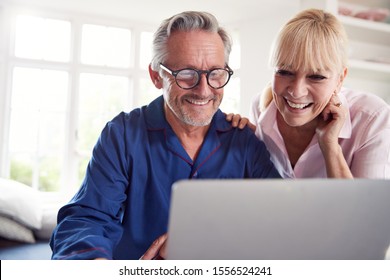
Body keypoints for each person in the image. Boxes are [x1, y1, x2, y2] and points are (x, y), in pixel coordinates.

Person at [50, 11, 280, 260]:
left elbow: (281, 220)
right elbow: (87, 218)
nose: (204, 91)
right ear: (156, 76)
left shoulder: (244, 141)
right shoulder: (123, 135)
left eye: (215, 74)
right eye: (186, 74)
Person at [248, 9, 390, 178]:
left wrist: (330, 147)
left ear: (340, 79)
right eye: (285, 72)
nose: (296, 91)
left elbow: (367, 204)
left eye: (316, 77)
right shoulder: (260, 107)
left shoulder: (372, 118)